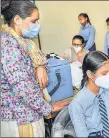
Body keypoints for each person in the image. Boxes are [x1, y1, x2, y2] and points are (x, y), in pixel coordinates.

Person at [1, 1, 52, 137]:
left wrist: (40, 66)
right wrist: (47, 108)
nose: (37, 25)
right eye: (34, 21)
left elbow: (42, 59)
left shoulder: (24, 42)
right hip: (21, 117)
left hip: (30, 113)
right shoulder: (9, 45)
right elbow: (23, 87)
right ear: (17, 19)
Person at [68, 51, 109, 137]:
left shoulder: (107, 89)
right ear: (90, 74)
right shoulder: (77, 103)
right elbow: (82, 134)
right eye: (104, 73)